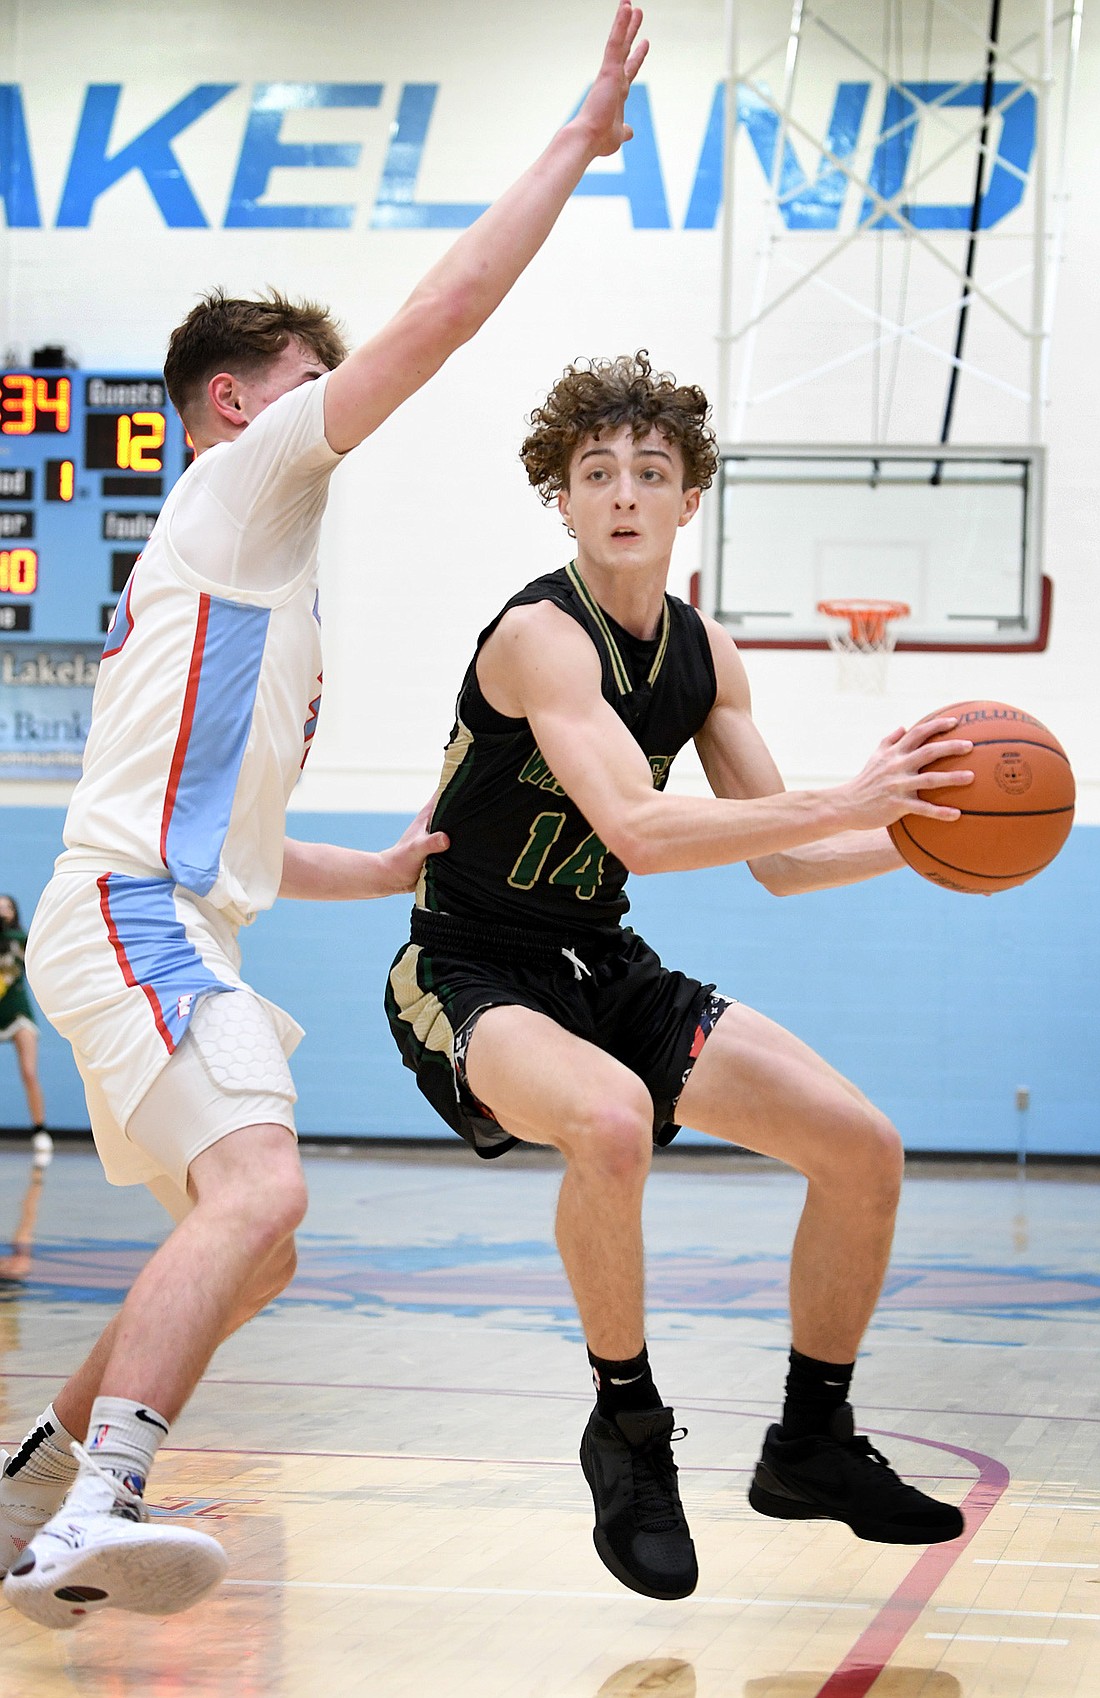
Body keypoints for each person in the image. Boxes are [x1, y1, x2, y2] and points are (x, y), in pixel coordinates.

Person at [0, 3, 648, 1631]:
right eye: (307, 383)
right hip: (135, 917)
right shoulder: (241, 487)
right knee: (267, 1195)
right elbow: (436, 319)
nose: (334, 407)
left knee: (258, 1239)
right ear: (239, 406)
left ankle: (28, 1482)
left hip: (158, 909)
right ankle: (98, 1503)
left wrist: (354, 866)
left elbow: (208, 811)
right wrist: (571, 142)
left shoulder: (257, 590)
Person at [385, 352, 972, 1603]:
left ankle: (808, 1441)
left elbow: (787, 859)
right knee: (607, 1124)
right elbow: (643, 828)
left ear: (687, 496)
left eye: (650, 471)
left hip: (601, 962)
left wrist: (929, 844)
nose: (623, 494)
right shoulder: (538, 635)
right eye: (596, 471)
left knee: (862, 1148)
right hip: (469, 964)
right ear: (561, 494)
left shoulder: (704, 655)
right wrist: (847, 792)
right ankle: (628, 1432)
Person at [0, 894, 53, 1282]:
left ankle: (40, 1133)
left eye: (5, 904)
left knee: (30, 1072)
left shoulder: (22, 936)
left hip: (17, 1009)